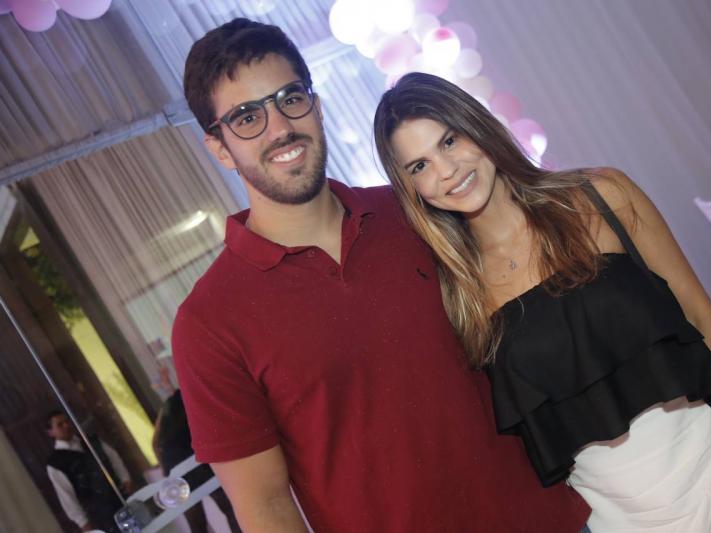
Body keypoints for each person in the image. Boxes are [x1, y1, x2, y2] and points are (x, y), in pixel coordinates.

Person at [172, 18, 589, 532]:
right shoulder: (207, 323)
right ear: (219, 148)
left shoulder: (416, 209)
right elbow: (266, 508)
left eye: (290, 98)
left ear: (316, 105)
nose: (279, 128)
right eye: (246, 117)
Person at [373, 71, 711, 533]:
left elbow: (698, 311)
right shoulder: (459, 294)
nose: (446, 171)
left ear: (476, 125)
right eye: (419, 166)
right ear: (410, 189)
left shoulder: (601, 196)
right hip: (615, 518)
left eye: (449, 140)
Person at [152, 382, 241, 532]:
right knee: (230, 509)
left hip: (178, 470)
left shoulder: (168, 408)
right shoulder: (193, 397)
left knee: (197, 523)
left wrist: (167, 472)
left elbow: (155, 443)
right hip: (197, 463)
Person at [45, 410, 131, 532]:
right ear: (51, 432)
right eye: (60, 425)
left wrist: (126, 479)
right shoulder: (55, 463)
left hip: (120, 495)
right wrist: (83, 523)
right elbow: (66, 495)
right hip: (100, 513)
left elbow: (113, 458)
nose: (66, 426)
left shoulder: (90, 441)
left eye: (67, 421)